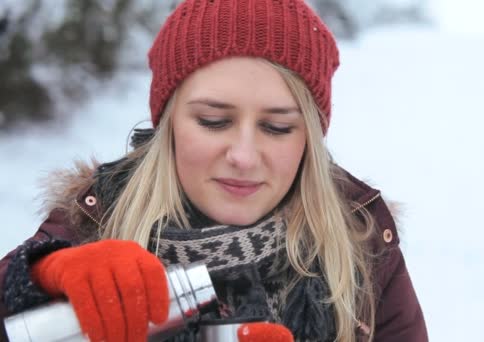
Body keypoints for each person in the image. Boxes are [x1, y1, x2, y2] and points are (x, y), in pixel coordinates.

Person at [0, 0, 428, 341]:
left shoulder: (362, 248)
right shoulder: (93, 224)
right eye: (213, 121)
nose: (243, 155)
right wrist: (36, 283)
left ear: (310, 140)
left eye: (277, 127)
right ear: (168, 124)